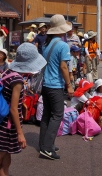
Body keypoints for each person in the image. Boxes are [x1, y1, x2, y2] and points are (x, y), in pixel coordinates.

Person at [0, 43, 47, 176]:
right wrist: (20, 133)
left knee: (5, 161)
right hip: (7, 126)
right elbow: (13, 108)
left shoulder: (7, 72)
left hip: (1, 123)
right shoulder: (17, 80)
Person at [39, 15, 73, 160]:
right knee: (57, 115)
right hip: (55, 85)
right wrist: (69, 85)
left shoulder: (46, 44)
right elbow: (63, 67)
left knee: (47, 114)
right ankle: (47, 148)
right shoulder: (63, 45)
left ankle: (45, 144)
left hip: (45, 84)